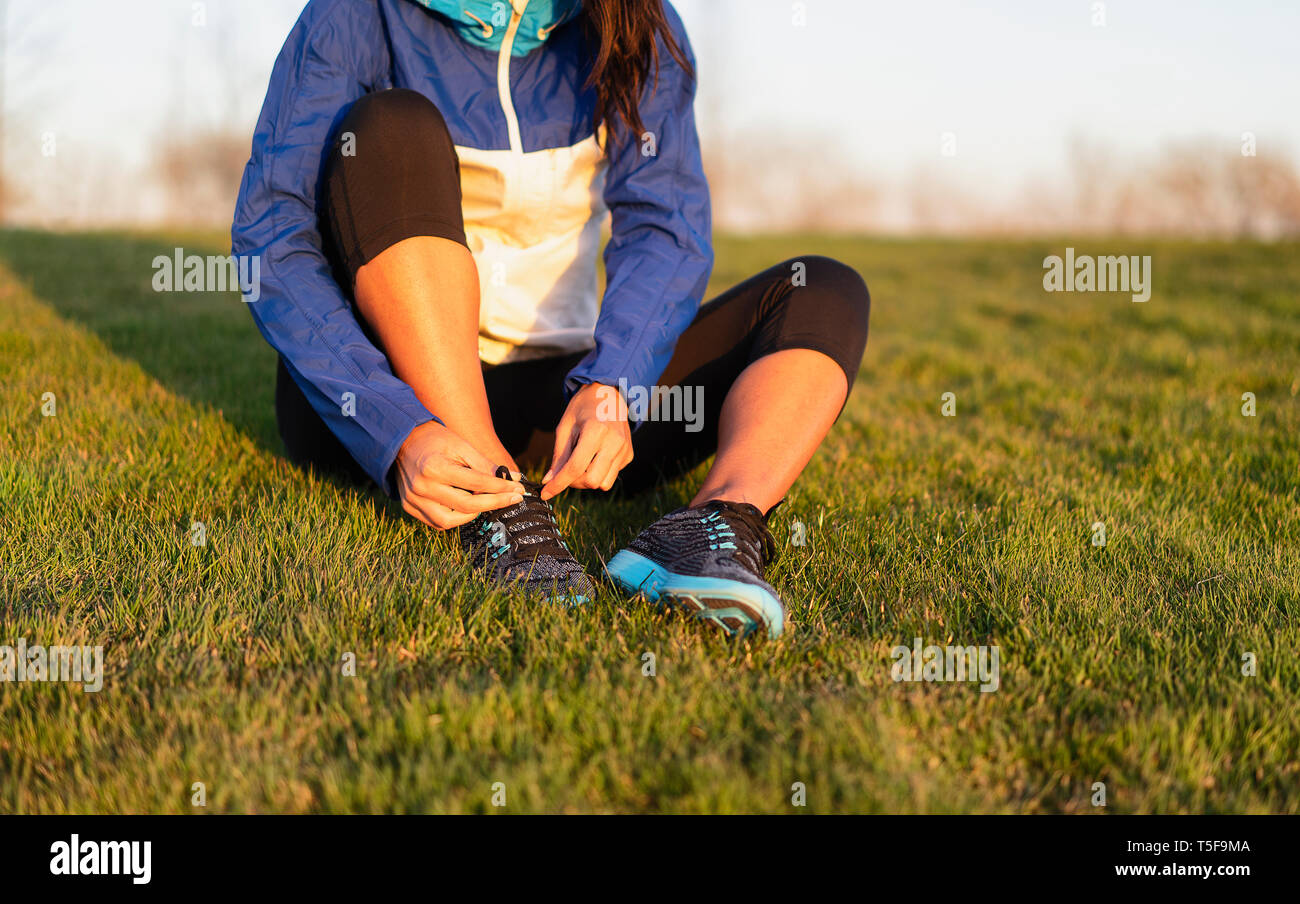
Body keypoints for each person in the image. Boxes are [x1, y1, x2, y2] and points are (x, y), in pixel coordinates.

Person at [232, 0, 869, 639]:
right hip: (396, 403)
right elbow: (273, 235)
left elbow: (665, 228)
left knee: (824, 291)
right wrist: (393, 426)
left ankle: (708, 529)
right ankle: (496, 507)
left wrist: (613, 383)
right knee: (391, 126)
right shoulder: (357, 13)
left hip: (556, 409)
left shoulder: (638, 21)